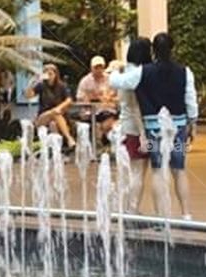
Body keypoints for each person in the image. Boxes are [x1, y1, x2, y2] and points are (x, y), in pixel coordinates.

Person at [109, 32, 198, 220]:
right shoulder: (185, 71)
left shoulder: (144, 71)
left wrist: (116, 70)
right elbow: (191, 100)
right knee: (179, 169)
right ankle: (186, 214)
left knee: (157, 169)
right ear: (172, 48)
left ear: (154, 50)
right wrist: (193, 122)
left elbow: (116, 82)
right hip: (179, 126)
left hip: (153, 127)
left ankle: (160, 215)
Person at [107, 38, 151, 212]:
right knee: (138, 172)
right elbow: (135, 107)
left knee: (131, 172)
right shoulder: (135, 78)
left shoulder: (124, 74)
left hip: (126, 127)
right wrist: (143, 134)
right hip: (135, 129)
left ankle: (128, 208)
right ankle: (132, 210)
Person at [25, 63, 76, 152]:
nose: (49, 76)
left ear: (56, 74)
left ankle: (57, 151)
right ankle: (69, 138)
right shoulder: (41, 85)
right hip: (42, 117)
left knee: (54, 124)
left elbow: (69, 100)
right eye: (46, 74)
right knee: (54, 113)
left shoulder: (61, 86)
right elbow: (28, 96)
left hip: (58, 117)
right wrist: (32, 82)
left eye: (51, 74)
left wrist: (59, 107)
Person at [75, 55, 119, 144]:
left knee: (107, 124)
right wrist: (92, 97)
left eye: (101, 67)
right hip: (90, 111)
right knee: (91, 124)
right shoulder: (85, 81)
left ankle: (104, 141)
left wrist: (110, 98)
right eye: (96, 67)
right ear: (91, 68)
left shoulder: (110, 79)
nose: (99, 70)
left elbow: (118, 96)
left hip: (107, 109)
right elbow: (80, 97)